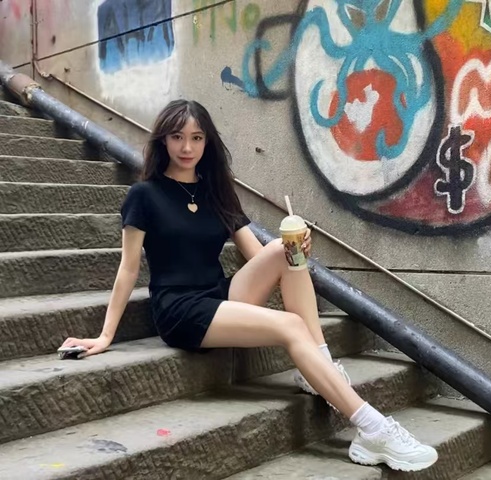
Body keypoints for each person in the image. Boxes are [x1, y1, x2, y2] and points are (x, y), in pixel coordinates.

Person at [60, 99, 438, 472]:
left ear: (207, 142)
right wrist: (106, 335)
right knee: (291, 325)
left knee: (284, 249)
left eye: (196, 137)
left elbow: (259, 256)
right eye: (177, 137)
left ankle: (319, 363)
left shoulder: (215, 191)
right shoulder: (144, 195)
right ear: (163, 140)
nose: (187, 147)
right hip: (180, 310)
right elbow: (128, 269)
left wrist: (295, 251)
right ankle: (372, 428)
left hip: (219, 295)